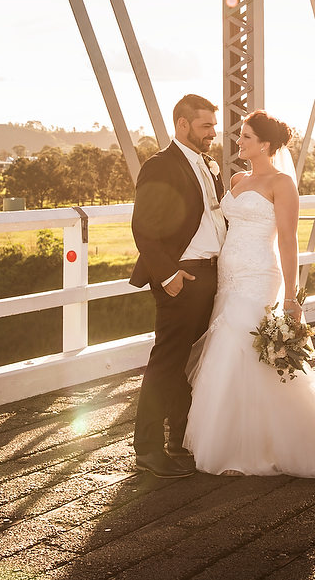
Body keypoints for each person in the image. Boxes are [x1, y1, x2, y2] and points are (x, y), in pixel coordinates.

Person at [183, 111, 315, 479]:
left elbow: (287, 240)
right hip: (228, 274)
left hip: (260, 274)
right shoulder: (236, 178)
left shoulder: (282, 184)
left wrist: (292, 298)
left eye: (246, 137)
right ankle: (235, 439)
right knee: (225, 349)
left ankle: (258, 448)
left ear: (264, 144)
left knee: (247, 349)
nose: (239, 142)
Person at [128, 94, 227, 478]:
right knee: (167, 362)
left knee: (191, 364)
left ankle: (180, 440)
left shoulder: (209, 167)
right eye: (206, 126)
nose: (212, 134)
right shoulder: (160, 166)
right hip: (182, 276)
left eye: (213, 127)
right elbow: (143, 228)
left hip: (213, 274)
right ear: (182, 124)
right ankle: (148, 449)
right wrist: (168, 276)